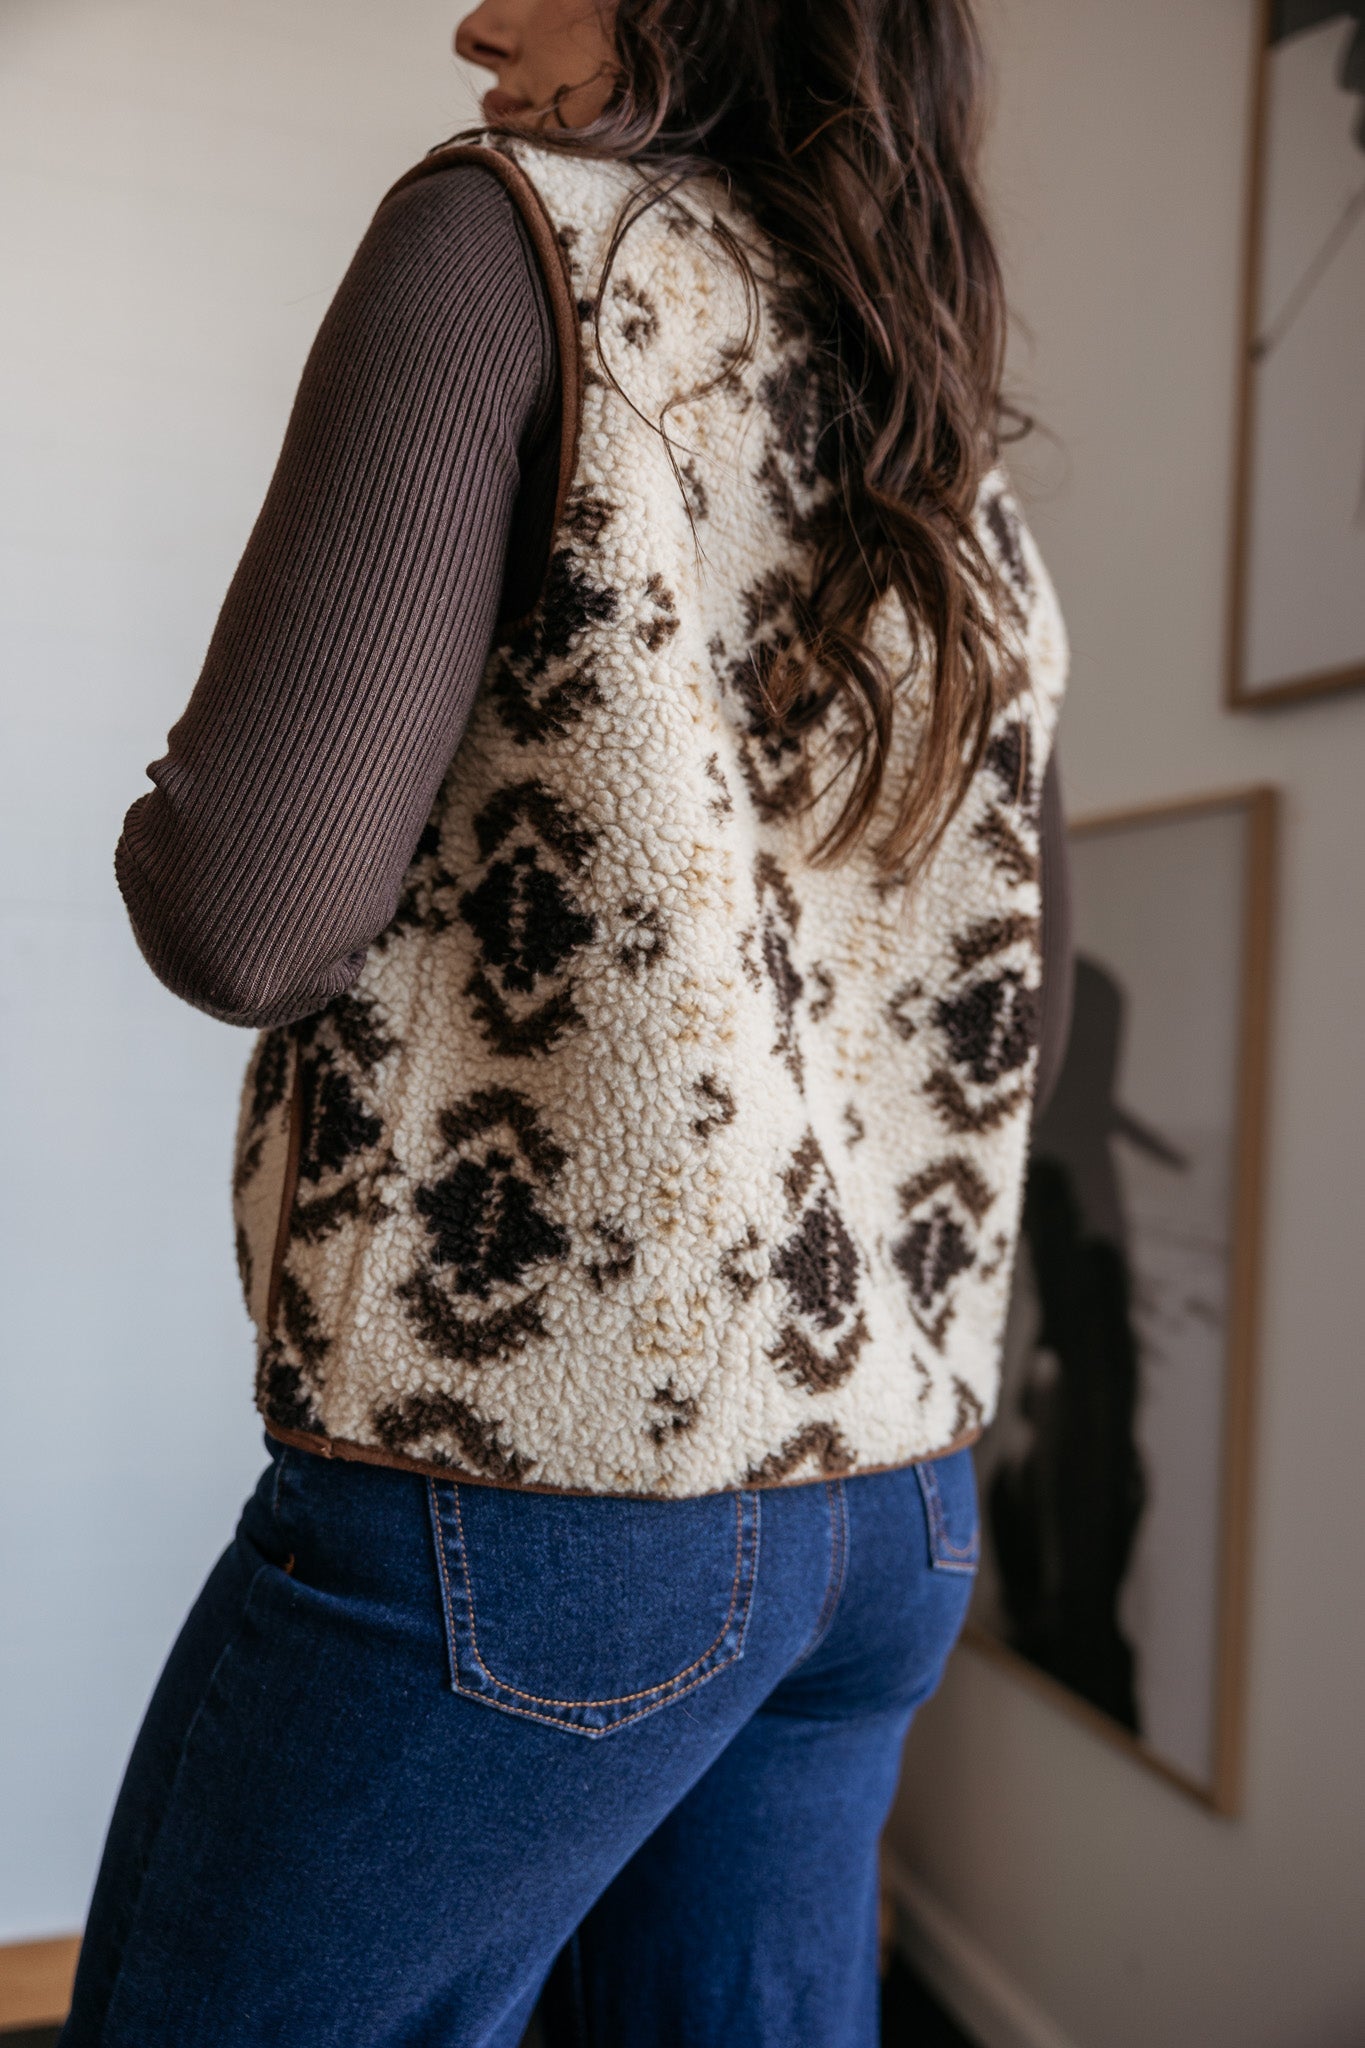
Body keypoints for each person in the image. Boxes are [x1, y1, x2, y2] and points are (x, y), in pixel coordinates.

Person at [64, 2, 1071, 2042]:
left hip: (546, 1479)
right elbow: (982, 996)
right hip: (889, 1499)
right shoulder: (936, 438)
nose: (471, 20)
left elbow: (249, 913)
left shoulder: (509, 243)